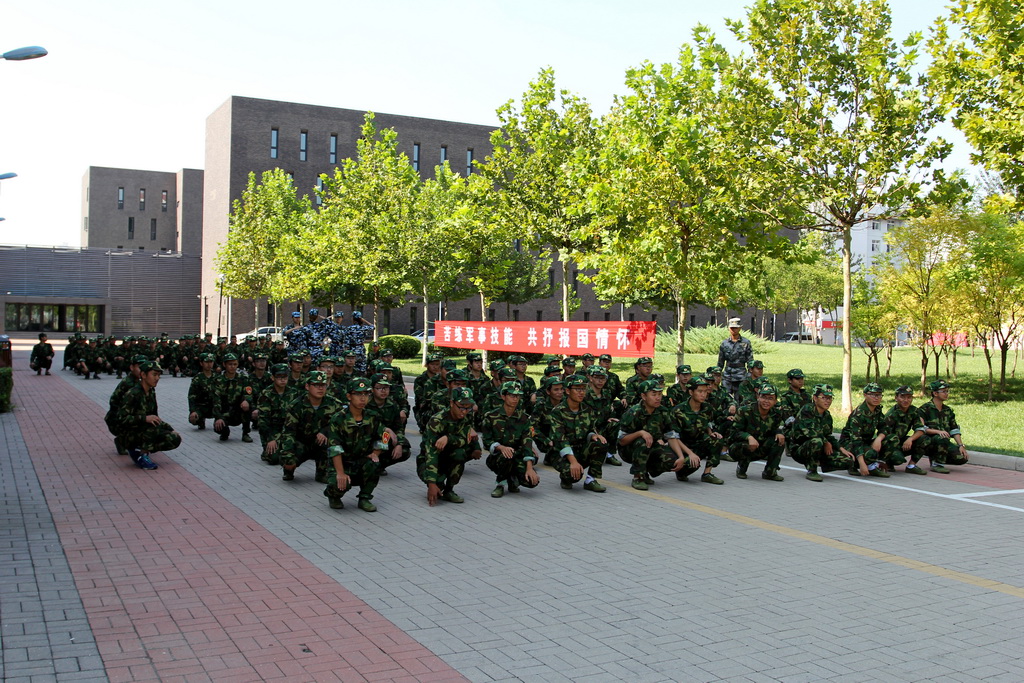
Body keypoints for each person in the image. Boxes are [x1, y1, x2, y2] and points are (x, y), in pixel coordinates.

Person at [323, 378, 393, 512]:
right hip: (343, 463)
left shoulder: (373, 416)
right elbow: (334, 448)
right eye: (358, 394)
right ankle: (333, 496)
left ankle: (364, 498)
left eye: (366, 394)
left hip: (362, 460)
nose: (363, 398)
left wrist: (376, 453)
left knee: (374, 464)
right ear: (349, 396)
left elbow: (385, 436)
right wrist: (340, 473)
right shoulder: (338, 419)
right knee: (339, 483)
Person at [618, 379, 699, 490]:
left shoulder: (663, 412)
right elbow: (622, 440)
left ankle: (645, 471)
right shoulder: (634, 412)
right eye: (654, 394)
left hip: (652, 446)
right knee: (643, 441)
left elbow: (671, 436)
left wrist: (680, 457)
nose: (658, 398)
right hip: (629, 450)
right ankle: (638, 477)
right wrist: (640, 433)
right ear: (644, 396)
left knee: (672, 460)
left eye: (660, 394)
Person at [419, 387, 482, 505]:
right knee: (436, 483)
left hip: (450, 453)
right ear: (452, 403)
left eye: (468, 407)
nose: (464, 411)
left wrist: (448, 438)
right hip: (430, 458)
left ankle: (449, 490)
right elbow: (431, 453)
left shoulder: (467, 416)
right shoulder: (437, 421)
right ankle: (437, 484)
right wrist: (431, 483)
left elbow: (466, 437)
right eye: (461, 407)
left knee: (460, 453)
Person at [114, 361, 181, 470]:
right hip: (129, 434)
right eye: (154, 375)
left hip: (143, 431)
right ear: (143, 375)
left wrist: (170, 429)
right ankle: (141, 454)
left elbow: (154, 417)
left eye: (158, 375)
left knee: (174, 438)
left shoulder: (151, 392)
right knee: (152, 428)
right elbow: (121, 419)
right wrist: (144, 418)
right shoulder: (133, 393)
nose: (157, 378)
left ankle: (139, 451)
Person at [278, 370, 344, 482]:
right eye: (316, 385)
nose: (320, 388)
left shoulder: (335, 404)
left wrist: (325, 431)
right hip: (301, 442)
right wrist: (288, 456)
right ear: (307, 386)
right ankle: (289, 470)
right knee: (288, 458)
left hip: (321, 443)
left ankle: (322, 472)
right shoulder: (296, 405)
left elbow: (340, 424)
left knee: (330, 441)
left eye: (323, 385)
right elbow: (289, 432)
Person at [549, 376, 609, 492]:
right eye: (577, 389)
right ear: (568, 391)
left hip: (581, 450)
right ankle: (565, 477)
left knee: (600, 442)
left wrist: (593, 435)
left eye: (583, 389)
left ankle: (590, 480)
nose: (581, 392)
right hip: (562, 454)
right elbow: (560, 439)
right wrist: (573, 462)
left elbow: (591, 428)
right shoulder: (558, 411)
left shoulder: (587, 409)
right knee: (573, 476)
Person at [481, 381, 540, 498]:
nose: (515, 399)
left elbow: (527, 443)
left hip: (517, 455)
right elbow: (487, 441)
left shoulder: (524, 418)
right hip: (498, 457)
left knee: (532, 481)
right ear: (503, 396)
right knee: (507, 455)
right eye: (512, 395)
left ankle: (513, 478)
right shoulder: (491, 416)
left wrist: (529, 468)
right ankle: (500, 483)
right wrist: (501, 447)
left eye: (517, 396)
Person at [789, 384, 858, 482]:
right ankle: (812, 470)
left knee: (848, 461)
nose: (827, 401)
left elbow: (828, 435)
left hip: (820, 448)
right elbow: (810, 432)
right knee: (817, 441)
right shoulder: (807, 410)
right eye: (824, 398)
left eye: (830, 398)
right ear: (815, 398)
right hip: (800, 449)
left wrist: (841, 449)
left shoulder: (827, 416)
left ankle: (820, 461)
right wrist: (825, 442)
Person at [669, 375, 726, 484]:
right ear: (691, 392)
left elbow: (707, 422)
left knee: (717, 440)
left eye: (705, 391)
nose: (703, 394)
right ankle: (681, 471)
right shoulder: (678, 411)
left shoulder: (707, 408)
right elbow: (673, 437)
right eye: (700, 391)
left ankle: (707, 474)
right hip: (682, 448)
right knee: (691, 464)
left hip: (698, 443)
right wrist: (690, 453)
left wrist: (711, 432)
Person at [728, 383, 786, 481]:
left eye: (770, 398)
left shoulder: (776, 413)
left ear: (775, 401)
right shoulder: (745, 411)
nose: (766, 401)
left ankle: (770, 472)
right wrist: (748, 437)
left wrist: (779, 432)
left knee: (779, 441)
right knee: (747, 444)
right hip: (739, 447)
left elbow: (779, 426)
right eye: (764, 397)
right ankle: (742, 467)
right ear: (758, 397)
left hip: (761, 446)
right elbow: (734, 433)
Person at [914, 379, 970, 474]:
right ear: (935, 393)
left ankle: (938, 457)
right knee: (941, 437)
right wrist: (938, 432)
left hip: (944, 442)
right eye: (943, 391)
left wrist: (961, 445)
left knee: (962, 458)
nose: (946, 394)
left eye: (947, 391)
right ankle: (937, 464)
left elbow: (954, 429)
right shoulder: (924, 409)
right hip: (928, 442)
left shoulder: (948, 410)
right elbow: (921, 428)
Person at [839, 383, 891, 477]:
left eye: (879, 395)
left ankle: (875, 464)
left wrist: (878, 439)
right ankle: (854, 465)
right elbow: (856, 440)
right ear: (865, 395)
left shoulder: (877, 410)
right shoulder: (858, 414)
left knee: (892, 439)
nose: (876, 398)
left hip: (865, 442)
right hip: (850, 444)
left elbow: (884, 427)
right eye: (873, 395)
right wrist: (862, 464)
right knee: (870, 454)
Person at [364, 372, 411, 474]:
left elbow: (398, 427)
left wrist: (399, 444)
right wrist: (386, 429)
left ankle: (379, 466)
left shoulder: (392, 405)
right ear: (372, 389)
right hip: (366, 439)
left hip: (383, 440)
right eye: (379, 388)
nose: (383, 391)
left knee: (404, 449)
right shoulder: (365, 403)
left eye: (386, 387)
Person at [874, 385, 927, 475]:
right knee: (898, 459)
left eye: (909, 397)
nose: (906, 400)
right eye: (902, 397)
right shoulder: (892, 414)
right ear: (896, 398)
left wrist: (910, 439)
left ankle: (911, 466)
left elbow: (921, 429)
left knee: (925, 439)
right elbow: (884, 434)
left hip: (901, 441)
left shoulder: (913, 411)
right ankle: (885, 461)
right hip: (889, 443)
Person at [214, 353, 255, 442]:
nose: (232, 367)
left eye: (235, 364)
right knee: (218, 427)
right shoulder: (218, 380)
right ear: (224, 364)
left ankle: (245, 433)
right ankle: (225, 432)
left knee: (247, 406)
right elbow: (216, 400)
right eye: (230, 364)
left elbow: (248, 393)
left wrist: (246, 400)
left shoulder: (243, 378)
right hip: (225, 411)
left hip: (238, 410)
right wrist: (218, 417)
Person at [718, 318, 754, 397]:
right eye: (732, 328)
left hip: (741, 375)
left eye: (736, 328)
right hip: (727, 375)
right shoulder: (724, 343)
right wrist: (717, 374)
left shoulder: (746, 343)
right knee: (725, 397)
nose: (734, 330)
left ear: (740, 328)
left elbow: (750, 360)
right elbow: (720, 361)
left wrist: (750, 375)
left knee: (740, 399)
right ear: (729, 328)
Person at [187, 352, 220, 430]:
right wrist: (193, 411)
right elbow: (191, 396)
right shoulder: (197, 379)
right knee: (193, 419)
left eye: (211, 362)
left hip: (215, 406)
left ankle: (218, 420)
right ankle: (201, 420)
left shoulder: (218, 377)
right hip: (202, 407)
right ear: (201, 363)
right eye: (206, 362)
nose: (209, 364)